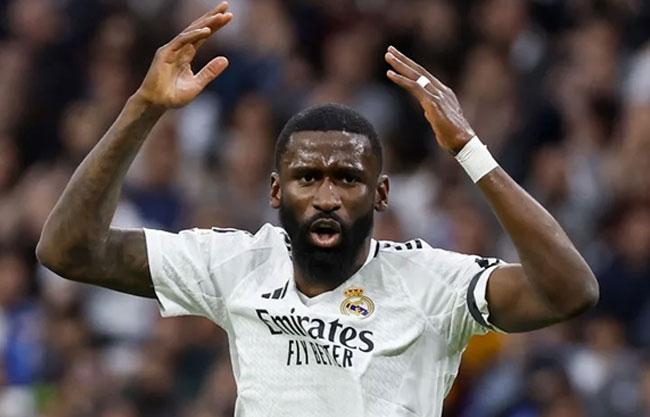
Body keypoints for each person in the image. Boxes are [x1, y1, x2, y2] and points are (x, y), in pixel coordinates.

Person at [36, 3, 599, 416]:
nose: (327, 197)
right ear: (276, 191)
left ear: (381, 194)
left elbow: (569, 291)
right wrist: (143, 106)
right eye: (308, 178)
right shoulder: (238, 262)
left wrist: (470, 152)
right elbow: (68, 250)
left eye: (348, 179)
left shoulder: (431, 282)